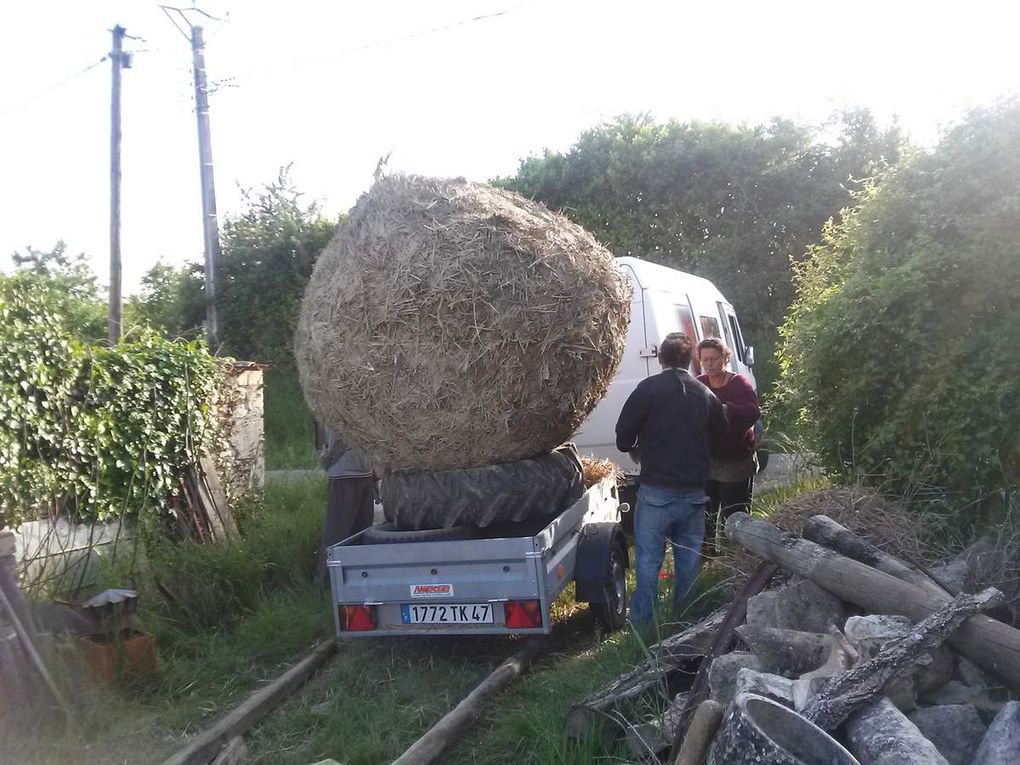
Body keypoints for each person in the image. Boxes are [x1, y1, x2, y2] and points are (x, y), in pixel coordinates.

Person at [615, 332, 727, 625]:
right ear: (691, 361)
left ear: (661, 358)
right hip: (694, 492)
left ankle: (642, 628)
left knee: (649, 562)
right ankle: (685, 624)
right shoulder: (704, 393)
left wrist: (636, 448)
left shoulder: (648, 389)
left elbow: (623, 434)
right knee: (688, 564)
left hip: (656, 492)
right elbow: (723, 435)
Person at [696, 338, 761, 552]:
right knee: (705, 511)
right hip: (707, 459)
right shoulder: (699, 384)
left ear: (725, 358)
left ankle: (736, 556)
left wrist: (725, 409)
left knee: (734, 511)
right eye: (704, 359)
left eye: (714, 359)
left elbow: (753, 412)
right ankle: (706, 555)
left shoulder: (738, 383)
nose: (709, 363)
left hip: (735, 460)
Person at [317, 429, 375, 582]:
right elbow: (342, 433)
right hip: (343, 474)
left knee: (362, 532)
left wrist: (374, 475)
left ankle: (356, 579)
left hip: (365, 472)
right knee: (338, 533)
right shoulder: (339, 405)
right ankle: (327, 581)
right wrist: (328, 460)